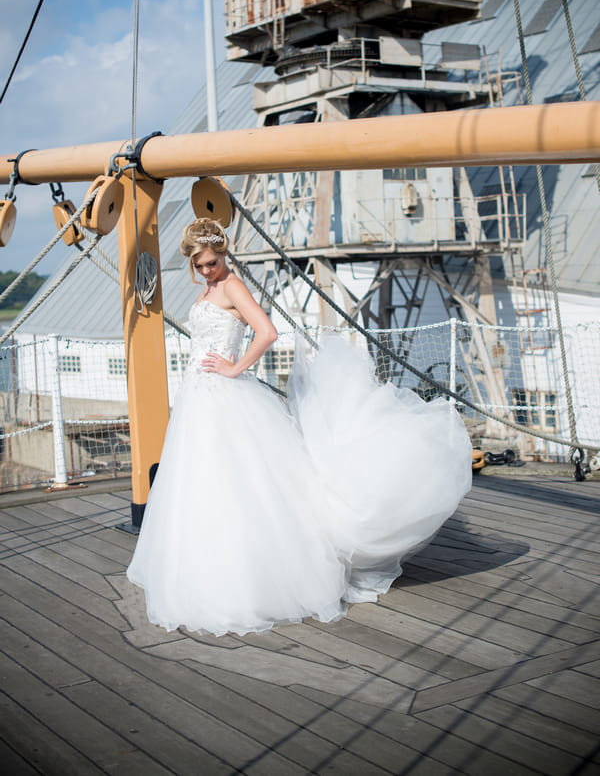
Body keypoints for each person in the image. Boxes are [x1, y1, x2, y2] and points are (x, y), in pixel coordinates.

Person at [127, 217, 472, 636]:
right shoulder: (208, 289)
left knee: (241, 483)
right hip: (198, 399)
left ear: (224, 255)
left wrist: (235, 368)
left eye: (212, 263)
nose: (207, 271)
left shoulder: (232, 285)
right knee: (204, 484)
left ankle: (256, 580)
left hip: (224, 394)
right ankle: (206, 567)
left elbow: (267, 332)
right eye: (200, 265)